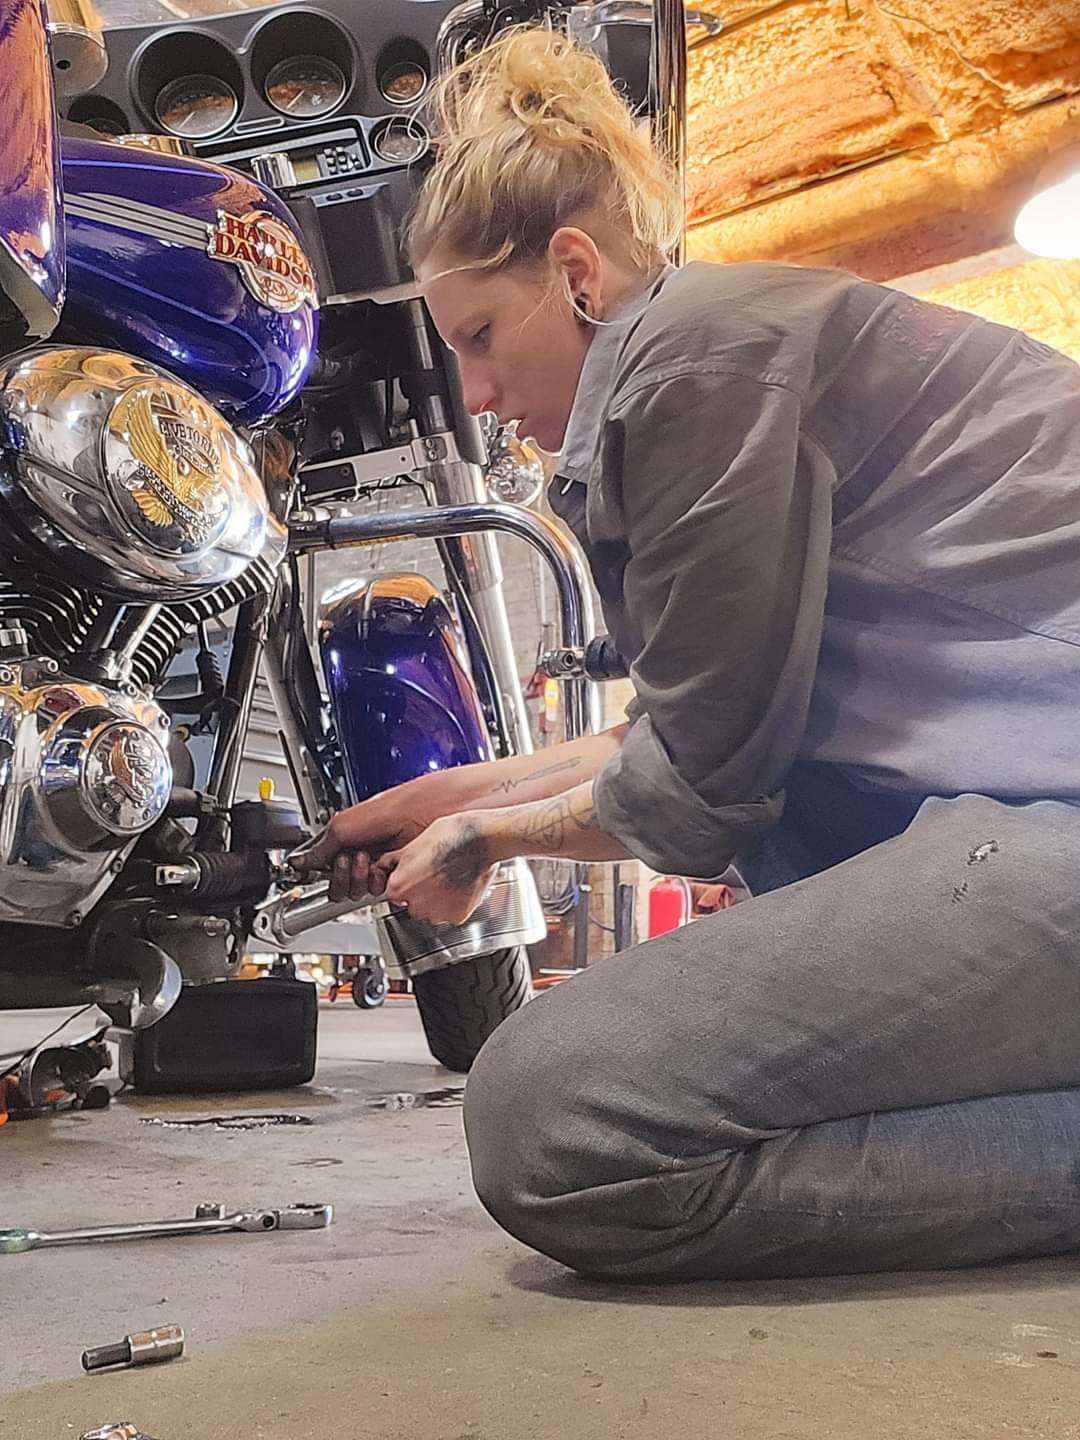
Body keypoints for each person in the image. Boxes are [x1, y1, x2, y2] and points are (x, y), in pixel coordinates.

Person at [291, 27, 1080, 1281]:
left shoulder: (689, 368)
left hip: (1051, 828)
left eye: (481, 336)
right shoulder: (734, 342)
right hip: (1022, 819)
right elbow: (695, 717)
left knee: (561, 1121)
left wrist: (487, 839)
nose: (477, 394)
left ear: (575, 272)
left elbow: (703, 784)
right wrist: (442, 799)